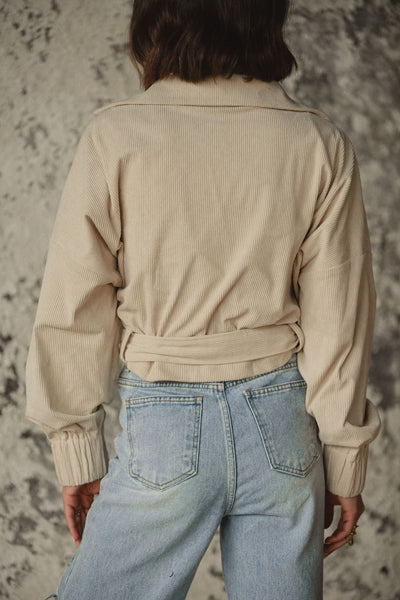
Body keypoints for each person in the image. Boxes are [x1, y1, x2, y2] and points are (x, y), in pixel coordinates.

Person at [26, 1, 382, 598]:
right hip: (282, 428)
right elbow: (338, 321)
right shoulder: (318, 141)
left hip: (164, 428)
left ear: (156, 17)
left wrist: (77, 450)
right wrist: (344, 462)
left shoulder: (115, 136)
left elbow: (74, 305)